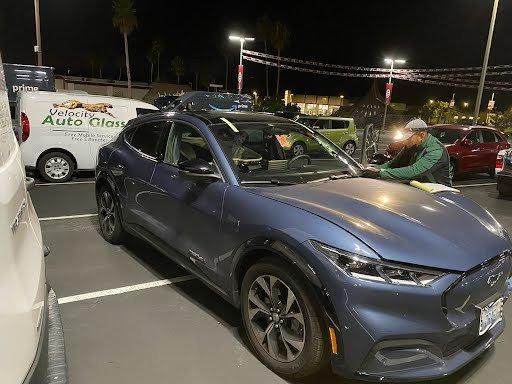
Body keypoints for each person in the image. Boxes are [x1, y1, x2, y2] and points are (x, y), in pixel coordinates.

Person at [362, 118, 452, 186]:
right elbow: (392, 164)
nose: (404, 142)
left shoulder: (436, 150)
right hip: (420, 186)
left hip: (439, 191)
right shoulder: (410, 145)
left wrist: (380, 173)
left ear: (422, 135)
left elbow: (413, 171)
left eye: (408, 138)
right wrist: (373, 168)